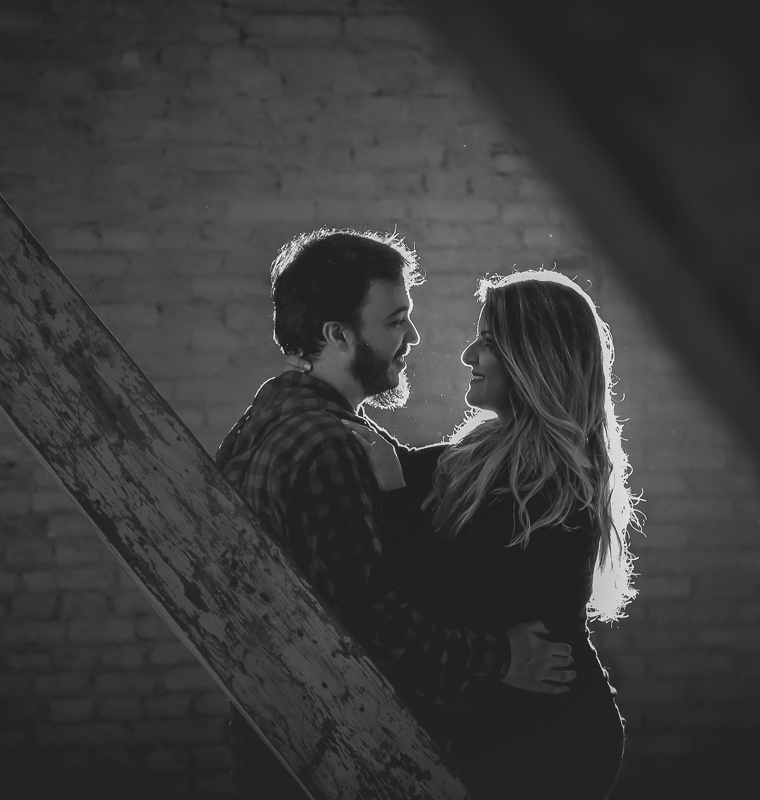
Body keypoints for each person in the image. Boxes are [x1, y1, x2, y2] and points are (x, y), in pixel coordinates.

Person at [215, 229, 578, 799]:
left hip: (279, 738)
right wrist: (501, 657)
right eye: (394, 320)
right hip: (323, 755)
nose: (412, 337)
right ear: (338, 334)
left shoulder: (269, 418)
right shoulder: (333, 445)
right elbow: (372, 623)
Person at [295, 269, 640, 799]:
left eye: (488, 341)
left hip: (553, 739)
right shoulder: (485, 453)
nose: (467, 355)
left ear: (534, 358)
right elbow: (403, 466)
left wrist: (391, 496)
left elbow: (455, 592)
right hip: (504, 727)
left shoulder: (556, 483)